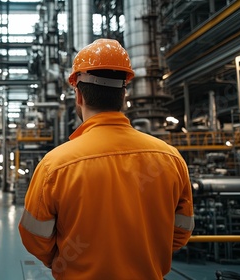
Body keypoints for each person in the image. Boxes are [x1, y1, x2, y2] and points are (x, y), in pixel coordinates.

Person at [18, 39, 194, 280]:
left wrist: (63, 260)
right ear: (123, 93)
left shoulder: (55, 165)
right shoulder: (170, 158)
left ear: (78, 95)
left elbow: (34, 238)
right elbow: (181, 231)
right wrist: (148, 252)